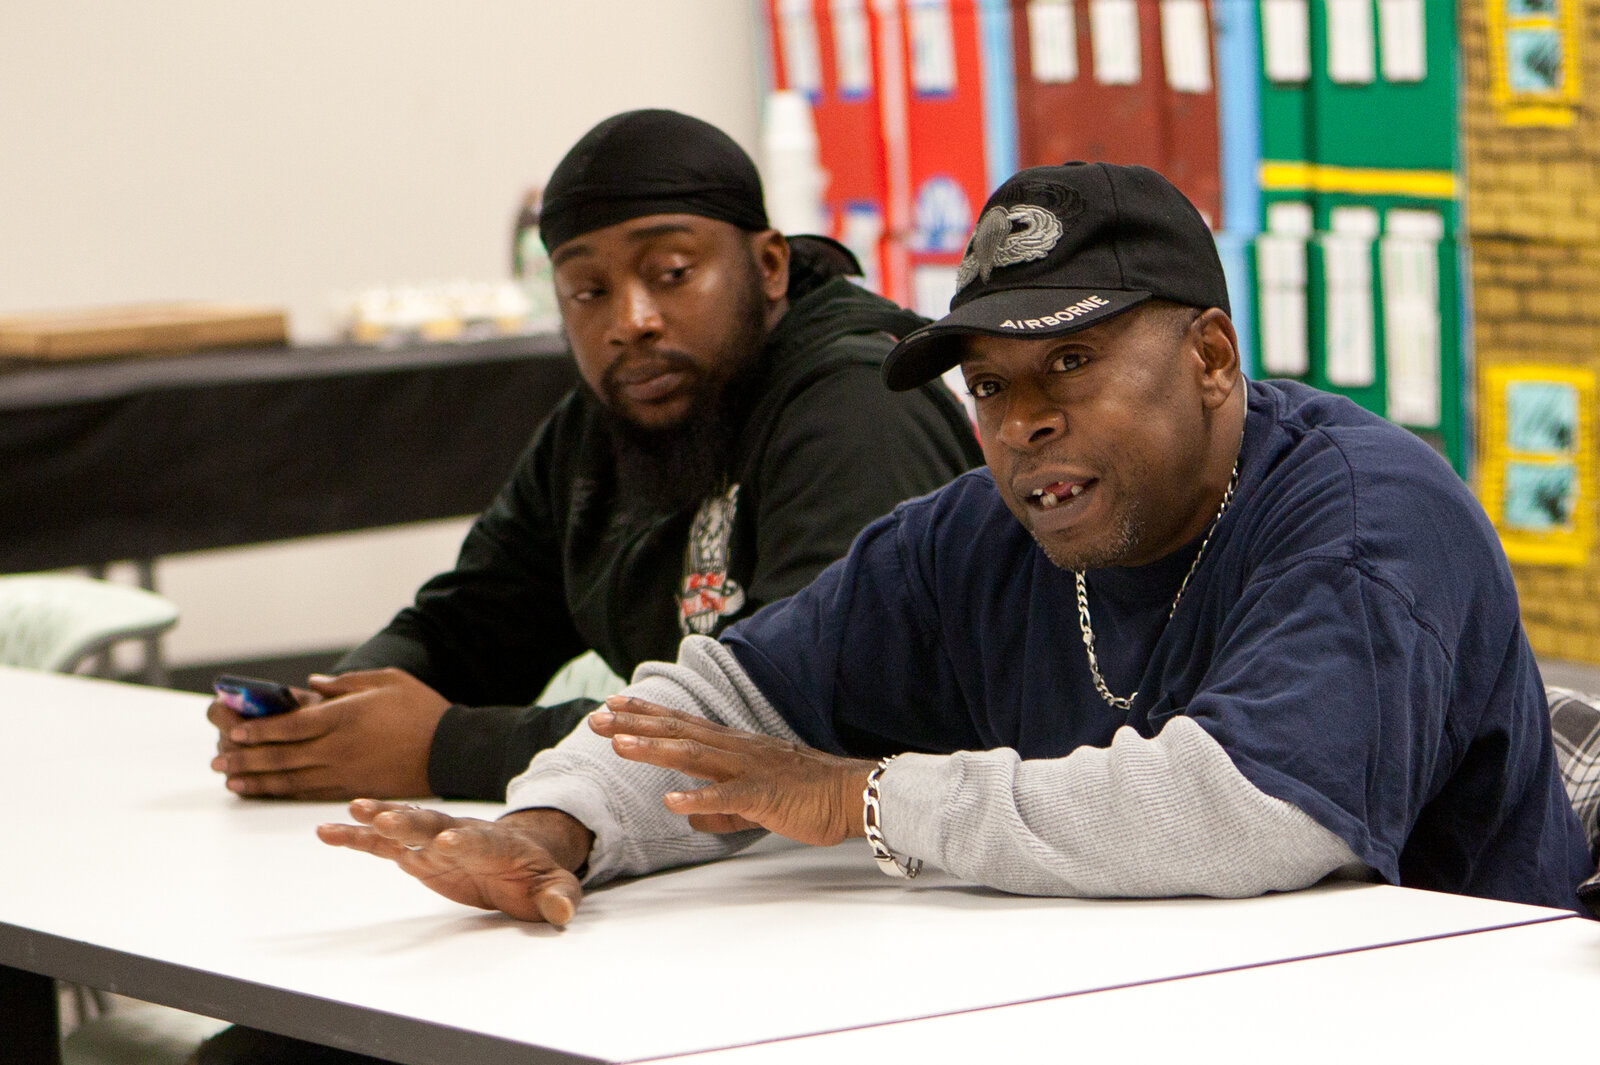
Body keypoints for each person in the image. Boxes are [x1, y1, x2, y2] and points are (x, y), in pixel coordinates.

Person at [319, 160, 1592, 925]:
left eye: (1073, 362)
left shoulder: (1366, 518)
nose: (1025, 420)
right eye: (988, 385)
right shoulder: (978, 532)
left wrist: (865, 796)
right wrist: (559, 829)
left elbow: (1243, 814)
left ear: (1210, 357)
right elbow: (720, 704)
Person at [205, 109, 982, 803]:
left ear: (770, 265)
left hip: (898, 884)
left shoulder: (858, 407)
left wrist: (448, 751)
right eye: (588, 291)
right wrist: (328, 714)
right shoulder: (611, 418)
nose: (631, 321)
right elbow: (474, 620)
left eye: (672, 274)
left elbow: (796, 726)